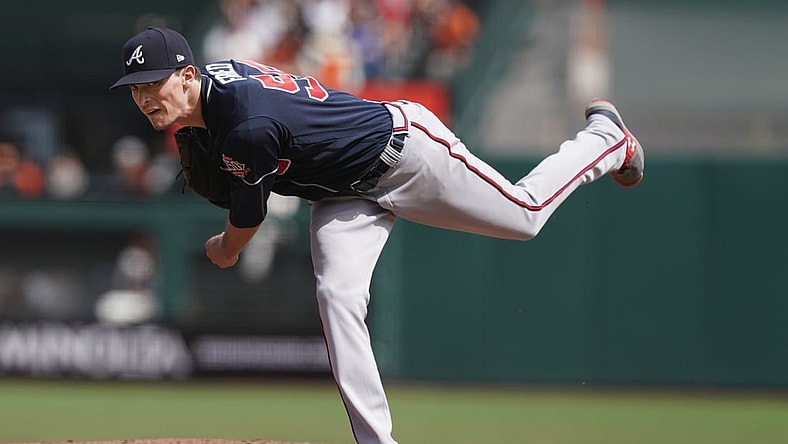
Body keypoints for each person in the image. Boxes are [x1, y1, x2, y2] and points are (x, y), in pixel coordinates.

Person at [110, 27, 644, 444]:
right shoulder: (217, 88)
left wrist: (223, 250)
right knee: (337, 295)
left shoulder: (245, 125)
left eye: (152, 84)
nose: (144, 98)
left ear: (185, 75)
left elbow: (247, 220)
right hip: (339, 192)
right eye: (135, 89)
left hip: (405, 152)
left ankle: (604, 137)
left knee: (524, 214)